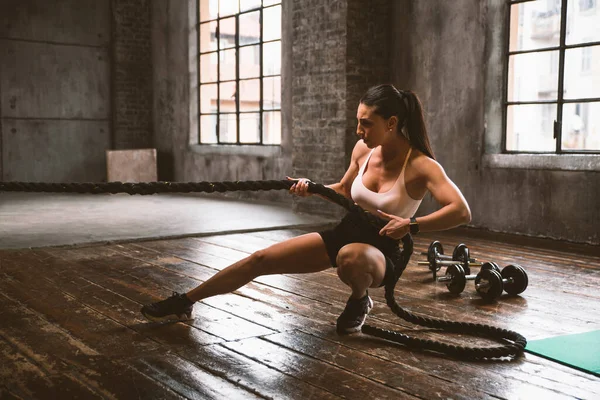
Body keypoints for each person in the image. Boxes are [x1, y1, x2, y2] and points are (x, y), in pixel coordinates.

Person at [141, 84, 471, 334]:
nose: (359, 131)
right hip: (347, 233)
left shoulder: (421, 165)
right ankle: (185, 301)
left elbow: (460, 210)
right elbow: (343, 191)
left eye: (366, 123)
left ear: (392, 122)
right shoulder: (363, 150)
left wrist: (410, 225)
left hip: (385, 250)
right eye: (358, 122)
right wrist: (311, 188)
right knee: (260, 259)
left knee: (351, 257)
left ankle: (359, 299)